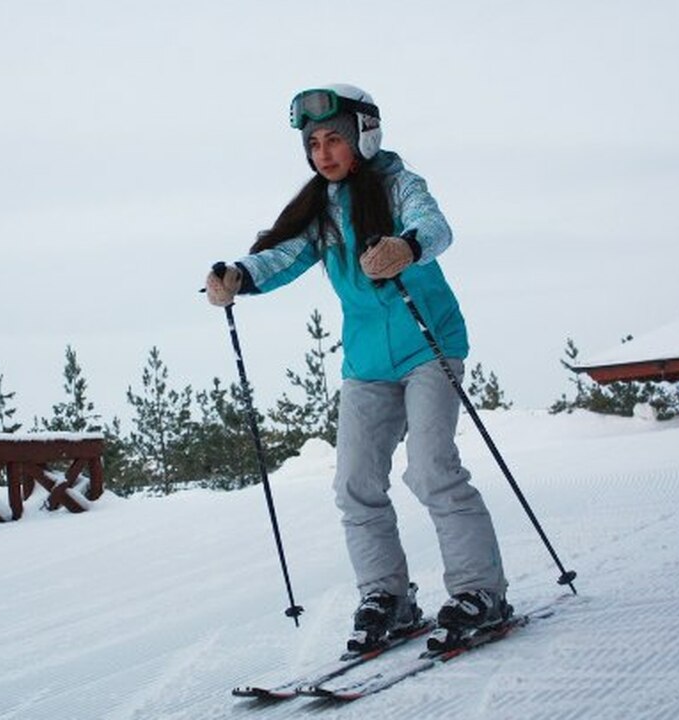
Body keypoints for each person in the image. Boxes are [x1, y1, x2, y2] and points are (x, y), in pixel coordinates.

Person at [204, 84, 511, 654]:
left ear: (363, 136)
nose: (323, 153)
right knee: (354, 484)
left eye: (334, 140)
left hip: (429, 344)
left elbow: (434, 225)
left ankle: (479, 592)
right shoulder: (321, 211)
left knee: (432, 468)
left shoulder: (399, 184)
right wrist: (239, 276)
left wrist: (407, 246)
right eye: (313, 143)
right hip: (367, 360)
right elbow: (283, 255)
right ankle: (387, 597)